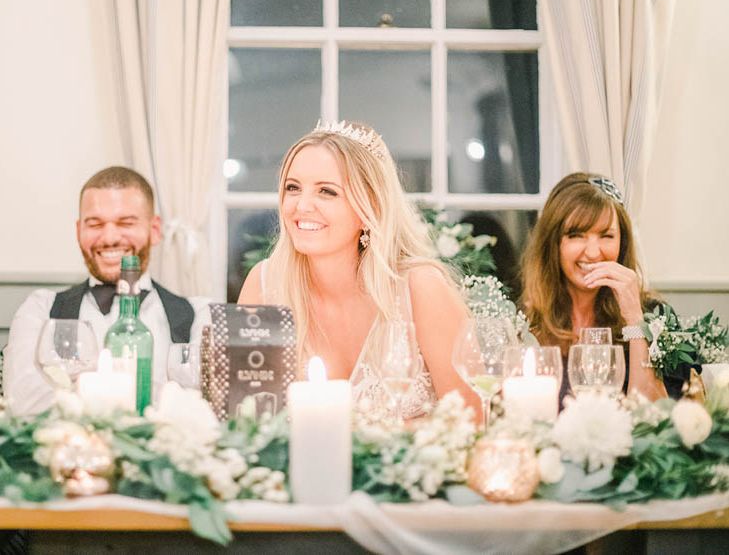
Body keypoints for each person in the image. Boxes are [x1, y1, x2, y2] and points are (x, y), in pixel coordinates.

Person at [238, 121, 480, 420]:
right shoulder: (263, 287)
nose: (302, 205)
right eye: (293, 188)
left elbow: (473, 420)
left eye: (327, 191)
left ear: (370, 208)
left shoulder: (420, 288)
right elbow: (245, 424)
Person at [4, 166, 209, 415]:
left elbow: (206, 407)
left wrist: (80, 391)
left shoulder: (198, 314)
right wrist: (162, 395)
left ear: (154, 230)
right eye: (95, 224)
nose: (109, 237)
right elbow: (25, 403)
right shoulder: (42, 308)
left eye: (126, 222)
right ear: (79, 230)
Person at [520, 172, 681, 402]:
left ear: (622, 242)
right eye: (576, 235)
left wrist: (635, 320)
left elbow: (654, 419)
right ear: (553, 243)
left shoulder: (655, 317)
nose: (594, 253)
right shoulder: (524, 318)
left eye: (606, 235)